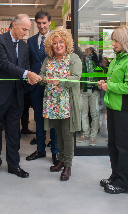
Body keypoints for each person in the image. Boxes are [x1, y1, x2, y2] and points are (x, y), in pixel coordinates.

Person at [0, 14, 41, 179]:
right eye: (23, 29)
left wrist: (28, 79)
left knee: (14, 132)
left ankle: (14, 165)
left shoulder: (25, 46)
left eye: (28, 30)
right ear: (14, 25)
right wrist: (27, 73)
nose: (25, 33)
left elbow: (26, 65)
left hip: (17, 95)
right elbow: (3, 64)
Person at [98, 25, 128, 194]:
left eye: (116, 40)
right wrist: (105, 83)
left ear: (125, 40)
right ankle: (116, 175)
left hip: (124, 108)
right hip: (113, 106)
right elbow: (115, 81)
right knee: (113, 144)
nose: (113, 44)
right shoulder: (118, 59)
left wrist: (109, 86)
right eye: (113, 40)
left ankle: (124, 183)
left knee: (123, 146)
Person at [39, 26, 82, 181]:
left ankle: (68, 165)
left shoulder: (73, 58)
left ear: (66, 43)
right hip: (52, 103)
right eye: (55, 43)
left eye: (61, 42)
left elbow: (76, 77)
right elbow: (42, 75)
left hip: (67, 103)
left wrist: (60, 81)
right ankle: (62, 160)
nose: (58, 45)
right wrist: (42, 79)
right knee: (58, 134)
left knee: (68, 135)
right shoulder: (48, 60)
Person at [26, 11, 59, 165]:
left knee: (52, 119)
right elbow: (29, 62)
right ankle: (40, 150)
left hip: (52, 85)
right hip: (35, 85)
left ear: (49, 22)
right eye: (38, 23)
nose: (41, 26)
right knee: (38, 119)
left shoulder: (56, 39)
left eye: (44, 23)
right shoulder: (31, 41)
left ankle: (55, 152)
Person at [77, 47, 100, 146]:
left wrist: (96, 86)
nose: (85, 51)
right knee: (84, 113)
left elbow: (97, 75)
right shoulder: (82, 61)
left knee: (94, 114)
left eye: (87, 50)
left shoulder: (94, 61)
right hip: (84, 90)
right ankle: (86, 134)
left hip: (93, 90)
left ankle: (93, 136)